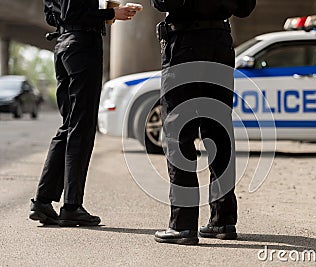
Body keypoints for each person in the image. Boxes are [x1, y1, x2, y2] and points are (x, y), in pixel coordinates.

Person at [151, 0, 256, 244]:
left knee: (179, 132)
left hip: (185, 42)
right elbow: (245, 7)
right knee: (218, 132)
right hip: (219, 43)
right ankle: (223, 220)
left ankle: (183, 225)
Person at [29, 0, 140, 227]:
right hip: (82, 47)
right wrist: (112, 12)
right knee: (81, 126)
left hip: (63, 46)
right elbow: (74, 13)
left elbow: (53, 17)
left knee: (69, 126)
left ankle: (42, 201)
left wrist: (105, 9)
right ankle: (71, 206)